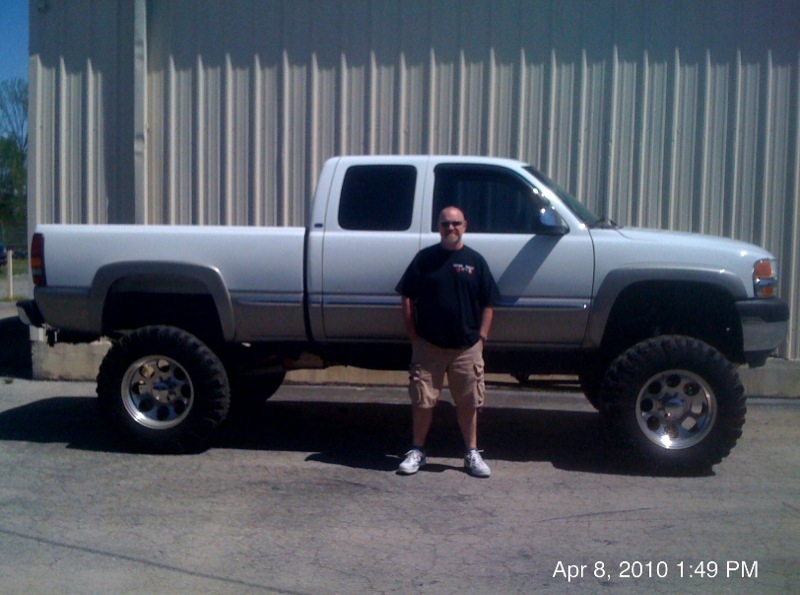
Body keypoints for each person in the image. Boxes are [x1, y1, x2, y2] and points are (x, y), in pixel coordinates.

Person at [395, 206, 499, 477]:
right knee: (422, 400)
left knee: (469, 401)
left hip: (467, 348)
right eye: (445, 224)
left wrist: (482, 337)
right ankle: (417, 450)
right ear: (438, 226)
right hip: (428, 346)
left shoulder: (475, 261)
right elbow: (407, 295)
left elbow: (489, 302)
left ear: (465, 226)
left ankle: (471, 453)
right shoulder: (425, 259)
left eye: (456, 223)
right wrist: (413, 335)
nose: (450, 228)